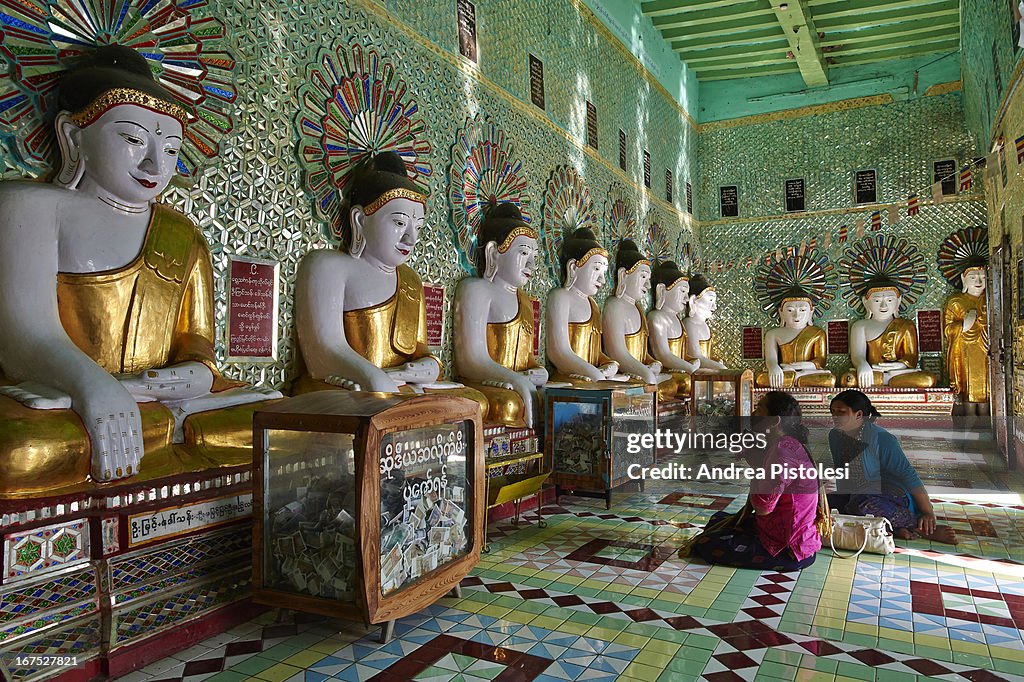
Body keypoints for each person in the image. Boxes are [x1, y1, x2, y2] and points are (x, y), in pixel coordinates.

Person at [688, 391, 822, 571]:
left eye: (759, 409)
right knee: (717, 520)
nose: (753, 413)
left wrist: (755, 464)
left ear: (774, 420)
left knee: (706, 544)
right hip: (775, 529)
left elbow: (763, 508)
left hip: (789, 548)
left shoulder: (783, 453)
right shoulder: (784, 444)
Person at [828, 389, 957, 544]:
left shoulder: (881, 438)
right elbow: (842, 471)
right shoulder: (835, 436)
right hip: (858, 493)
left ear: (859, 415)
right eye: (833, 412)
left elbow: (908, 475)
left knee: (863, 505)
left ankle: (920, 526)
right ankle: (893, 528)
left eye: (841, 412)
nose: (835, 416)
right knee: (822, 504)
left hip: (890, 495)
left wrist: (927, 512)